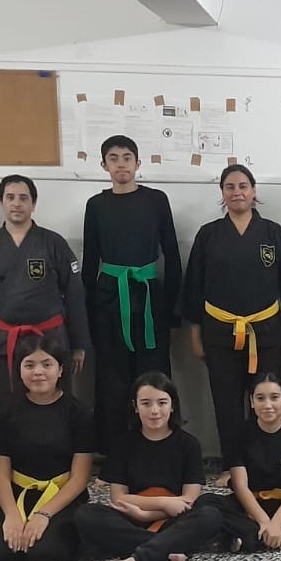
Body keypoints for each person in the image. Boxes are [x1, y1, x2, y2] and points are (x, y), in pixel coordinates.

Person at [0, 174, 90, 478]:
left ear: (33, 203)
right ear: (1, 203)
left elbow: (75, 295)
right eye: (10, 197)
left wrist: (79, 344)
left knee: (55, 400)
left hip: (50, 339)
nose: (16, 203)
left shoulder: (53, 243)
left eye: (23, 197)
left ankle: (60, 464)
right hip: (0, 340)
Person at [184, 164, 281, 486]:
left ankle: (266, 462)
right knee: (226, 401)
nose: (237, 192)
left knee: (266, 398)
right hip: (219, 331)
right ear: (222, 193)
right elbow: (194, 287)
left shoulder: (273, 233)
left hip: (266, 331)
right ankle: (232, 465)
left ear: (254, 191)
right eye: (230, 187)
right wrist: (195, 334)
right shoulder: (208, 235)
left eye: (243, 186)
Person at [83, 135, 182, 455]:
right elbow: (90, 261)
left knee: (153, 374)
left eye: (127, 157)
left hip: (150, 298)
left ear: (138, 163)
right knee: (111, 377)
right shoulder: (96, 205)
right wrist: (86, 315)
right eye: (113, 158)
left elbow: (172, 255)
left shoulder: (156, 200)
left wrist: (174, 312)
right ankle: (115, 452)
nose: (121, 164)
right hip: (109, 299)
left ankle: (159, 447)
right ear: (104, 165)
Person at [76, 372, 220, 561]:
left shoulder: (188, 444)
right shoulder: (123, 443)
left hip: (172, 520)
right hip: (131, 518)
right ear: (135, 407)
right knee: (85, 514)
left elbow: (188, 501)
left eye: (162, 403)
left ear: (172, 405)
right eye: (146, 403)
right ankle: (167, 551)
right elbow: (119, 498)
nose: (154, 411)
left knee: (209, 515)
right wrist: (157, 506)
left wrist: (150, 514)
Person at [0, 335, 94, 561]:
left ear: (60, 370)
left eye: (46, 364)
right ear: (19, 370)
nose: (38, 372)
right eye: (29, 365)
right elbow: (0, 474)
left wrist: (43, 514)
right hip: (19, 493)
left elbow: (80, 478)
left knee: (46, 556)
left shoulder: (79, 413)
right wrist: (12, 515)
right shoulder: (7, 413)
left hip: (61, 494)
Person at [196, 372, 281, 553]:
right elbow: (240, 486)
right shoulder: (238, 433)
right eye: (260, 398)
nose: (268, 405)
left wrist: (277, 522)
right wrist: (265, 522)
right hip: (248, 504)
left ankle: (249, 538)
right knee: (205, 502)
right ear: (252, 401)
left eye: (274, 397)